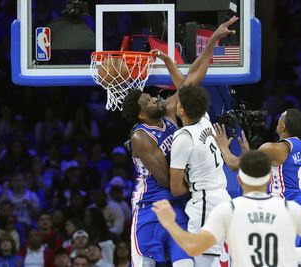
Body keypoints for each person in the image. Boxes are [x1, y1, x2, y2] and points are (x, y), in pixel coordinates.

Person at [121, 16, 238, 267]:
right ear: (142, 114)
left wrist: (213, 40)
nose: (155, 99)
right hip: (150, 208)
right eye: (149, 101)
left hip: (179, 204)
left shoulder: (170, 112)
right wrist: (198, 179)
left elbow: (193, 78)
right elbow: (166, 179)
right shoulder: (140, 136)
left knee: (187, 262)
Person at [213, 109, 301, 267]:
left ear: (283, 126)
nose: (277, 121)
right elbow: (280, 171)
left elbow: (234, 165)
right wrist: (248, 154)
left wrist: (223, 147)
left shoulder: (273, 148)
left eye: (280, 119)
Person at [152, 150, 301, 267]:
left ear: (240, 180)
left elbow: (193, 245)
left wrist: (170, 223)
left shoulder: (227, 211)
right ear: (269, 179)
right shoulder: (291, 210)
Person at [169, 86, 231, 267]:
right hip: (222, 196)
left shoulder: (183, 137)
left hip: (206, 201)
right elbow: (186, 87)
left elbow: (175, 188)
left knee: (204, 260)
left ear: (181, 110)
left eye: (178, 103)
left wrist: (190, 185)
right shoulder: (205, 119)